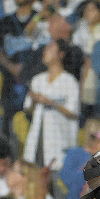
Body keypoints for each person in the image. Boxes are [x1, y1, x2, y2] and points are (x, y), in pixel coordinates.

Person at [22, 38, 80, 169]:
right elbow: (28, 110)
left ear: (61, 54)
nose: (45, 52)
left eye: (50, 48)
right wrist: (33, 100)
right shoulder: (37, 80)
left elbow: (73, 112)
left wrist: (50, 102)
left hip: (60, 138)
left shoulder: (70, 82)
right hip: (38, 137)